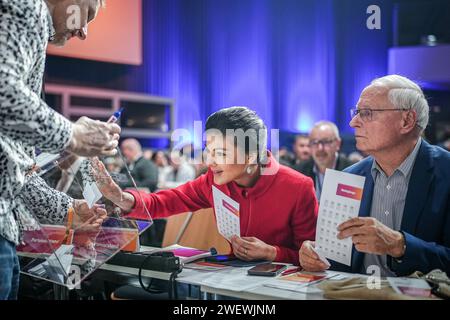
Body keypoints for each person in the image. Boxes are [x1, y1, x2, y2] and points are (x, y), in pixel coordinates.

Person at [0, 0, 119, 300]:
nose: (84, 32)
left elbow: (13, 167)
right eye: (86, 14)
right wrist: (73, 135)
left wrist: (66, 208)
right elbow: (4, 93)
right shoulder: (29, 6)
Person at [94, 107, 318, 265]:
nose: (209, 162)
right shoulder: (214, 180)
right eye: (208, 151)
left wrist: (272, 253)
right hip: (232, 284)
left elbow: (313, 256)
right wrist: (121, 197)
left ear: (251, 157)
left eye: (220, 153)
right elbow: (166, 201)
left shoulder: (298, 187)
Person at [299, 75, 450, 277]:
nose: (353, 122)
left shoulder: (445, 172)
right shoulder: (347, 177)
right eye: (356, 113)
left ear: (407, 121)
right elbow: (336, 260)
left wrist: (400, 245)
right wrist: (316, 254)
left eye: (366, 113)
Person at [296, 121, 352, 200]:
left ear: (338, 144)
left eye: (326, 142)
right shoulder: (299, 172)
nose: (320, 148)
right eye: (315, 142)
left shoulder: (353, 172)